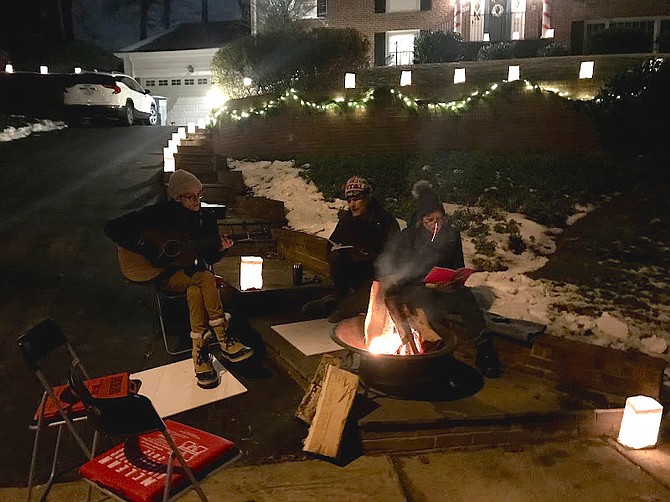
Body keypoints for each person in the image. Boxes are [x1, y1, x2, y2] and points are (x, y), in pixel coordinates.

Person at [104, 169, 253, 389]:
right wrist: (147, 248)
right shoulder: (159, 214)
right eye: (191, 196)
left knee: (197, 287)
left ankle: (200, 357)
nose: (197, 201)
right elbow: (112, 227)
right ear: (176, 197)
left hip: (191, 277)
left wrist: (220, 249)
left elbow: (207, 256)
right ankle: (224, 340)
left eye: (199, 195)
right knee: (203, 279)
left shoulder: (204, 220)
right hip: (162, 274)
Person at [379, 180, 501, 378]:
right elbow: (402, 275)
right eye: (429, 220)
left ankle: (485, 352)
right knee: (425, 300)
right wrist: (429, 283)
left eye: (439, 219)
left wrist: (454, 281)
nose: (435, 225)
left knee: (465, 297)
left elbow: (456, 267)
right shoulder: (408, 237)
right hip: (415, 289)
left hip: (442, 289)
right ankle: (438, 351)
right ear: (421, 219)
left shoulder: (451, 235)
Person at [303, 175, 400, 323]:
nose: (352, 205)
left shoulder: (385, 220)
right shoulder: (348, 220)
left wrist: (369, 256)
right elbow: (332, 244)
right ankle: (341, 302)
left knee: (364, 305)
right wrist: (343, 252)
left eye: (356, 200)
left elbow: (395, 254)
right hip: (355, 273)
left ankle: (341, 306)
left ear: (367, 198)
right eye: (349, 201)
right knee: (336, 257)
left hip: (378, 276)